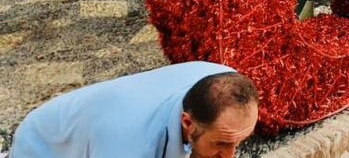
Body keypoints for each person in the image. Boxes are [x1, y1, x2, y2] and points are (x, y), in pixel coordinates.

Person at [11, 61, 258, 158]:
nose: (230, 155)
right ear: (187, 122)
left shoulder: (222, 82)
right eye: (221, 144)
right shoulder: (128, 147)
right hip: (40, 146)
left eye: (238, 142)